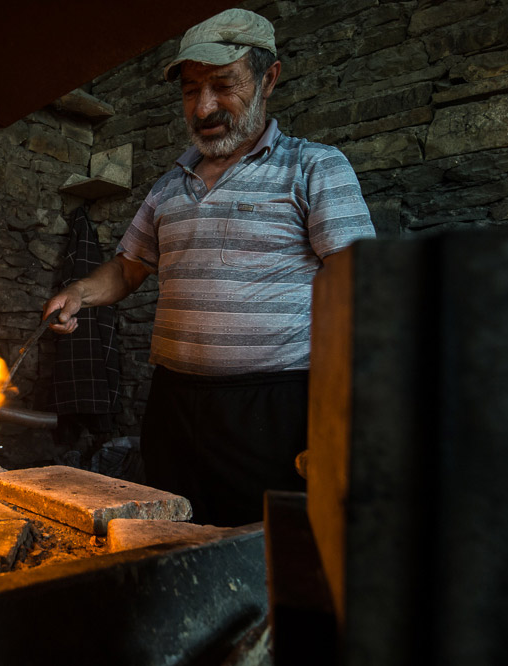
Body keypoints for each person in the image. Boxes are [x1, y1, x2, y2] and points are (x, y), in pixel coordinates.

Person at [42, 8, 375, 526]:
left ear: (269, 79)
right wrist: (80, 293)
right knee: (168, 539)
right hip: (174, 404)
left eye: (223, 85)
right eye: (191, 90)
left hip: (273, 407)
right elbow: (130, 266)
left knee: (260, 552)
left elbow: (360, 282)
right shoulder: (169, 185)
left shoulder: (313, 167)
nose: (204, 107)